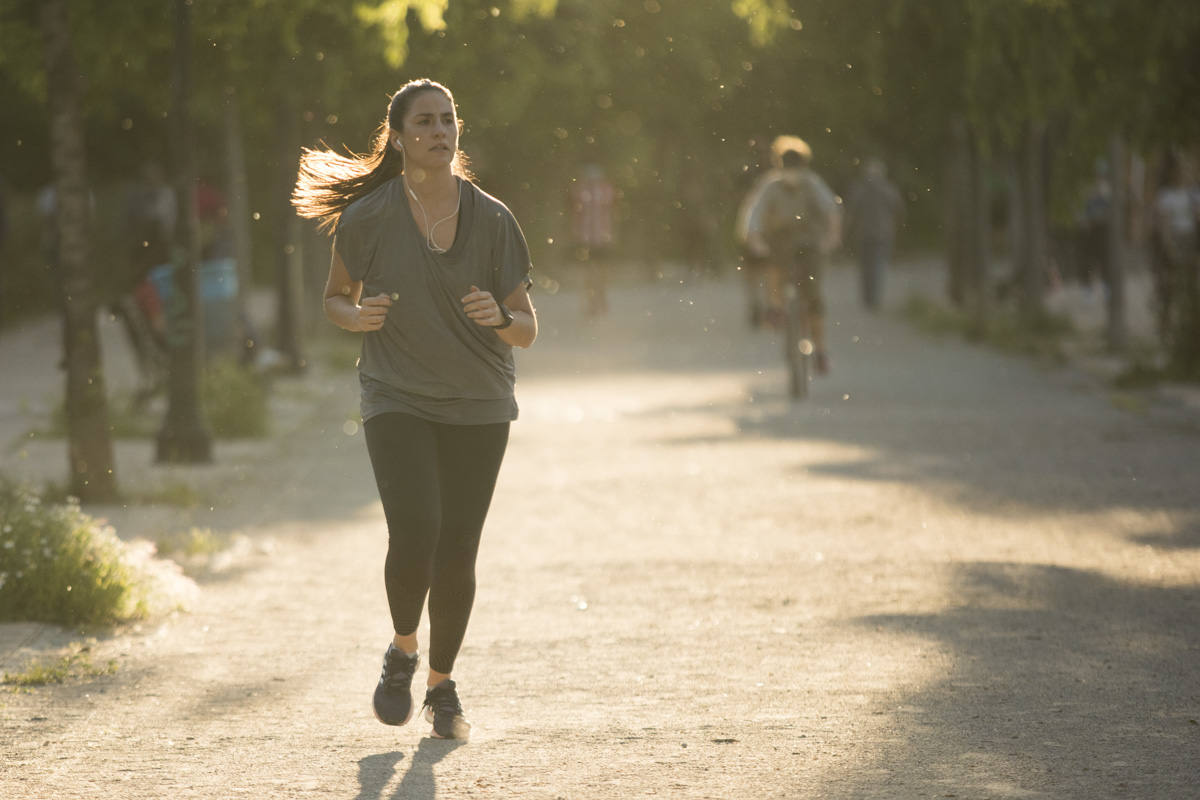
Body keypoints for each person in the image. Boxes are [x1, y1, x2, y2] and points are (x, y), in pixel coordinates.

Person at [291, 79, 537, 741]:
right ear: (398, 137)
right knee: (416, 530)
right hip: (395, 395)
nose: (439, 131)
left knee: (458, 551)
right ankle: (404, 649)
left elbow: (528, 328)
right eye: (424, 122)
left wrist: (500, 315)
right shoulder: (369, 216)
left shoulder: (493, 219)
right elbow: (334, 297)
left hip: (480, 403)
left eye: (448, 120)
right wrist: (355, 316)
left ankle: (442, 686)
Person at [741, 135, 841, 373]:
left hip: (810, 241)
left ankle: (820, 351)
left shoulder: (813, 184)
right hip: (780, 242)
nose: (791, 174)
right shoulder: (770, 186)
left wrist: (832, 237)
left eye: (795, 169)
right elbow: (753, 215)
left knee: (814, 297)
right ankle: (776, 307)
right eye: (787, 169)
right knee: (772, 266)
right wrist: (754, 239)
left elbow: (831, 211)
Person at [844, 158, 903, 311]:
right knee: (878, 265)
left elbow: (851, 211)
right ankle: (875, 299)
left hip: (863, 233)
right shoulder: (889, 189)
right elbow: (899, 209)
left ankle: (868, 297)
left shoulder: (859, 189)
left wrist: (846, 230)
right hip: (883, 234)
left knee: (865, 267)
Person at [567, 164, 616, 317]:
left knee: (597, 271)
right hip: (592, 238)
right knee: (593, 272)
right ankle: (595, 301)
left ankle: (598, 299)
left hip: (595, 237)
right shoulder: (597, 190)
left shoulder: (585, 190)